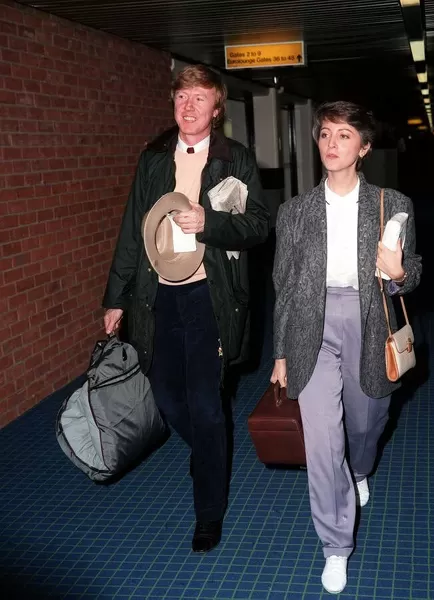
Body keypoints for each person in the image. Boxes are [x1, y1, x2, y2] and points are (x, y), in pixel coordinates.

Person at [102, 64, 269, 553]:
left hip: (209, 296)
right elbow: (133, 230)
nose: (189, 106)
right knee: (165, 395)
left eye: (200, 98)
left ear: (216, 109)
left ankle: (208, 514)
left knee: (204, 403)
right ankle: (208, 451)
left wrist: (209, 221)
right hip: (157, 295)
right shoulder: (153, 157)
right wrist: (115, 298)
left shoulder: (235, 158)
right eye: (182, 97)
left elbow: (258, 225)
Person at [271, 101, 422, 594]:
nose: (331, 144)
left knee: (367, 419)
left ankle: (360, 468)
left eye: (342, 135)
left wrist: (399, 273)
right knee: (321, 441)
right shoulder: (294, 212)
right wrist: (281, 352)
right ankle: (336, 545)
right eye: (324, 135)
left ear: (364, 147)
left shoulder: (392, 204)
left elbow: (410, 276)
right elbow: (285, 286)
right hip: (309, 328)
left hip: (369, 321)